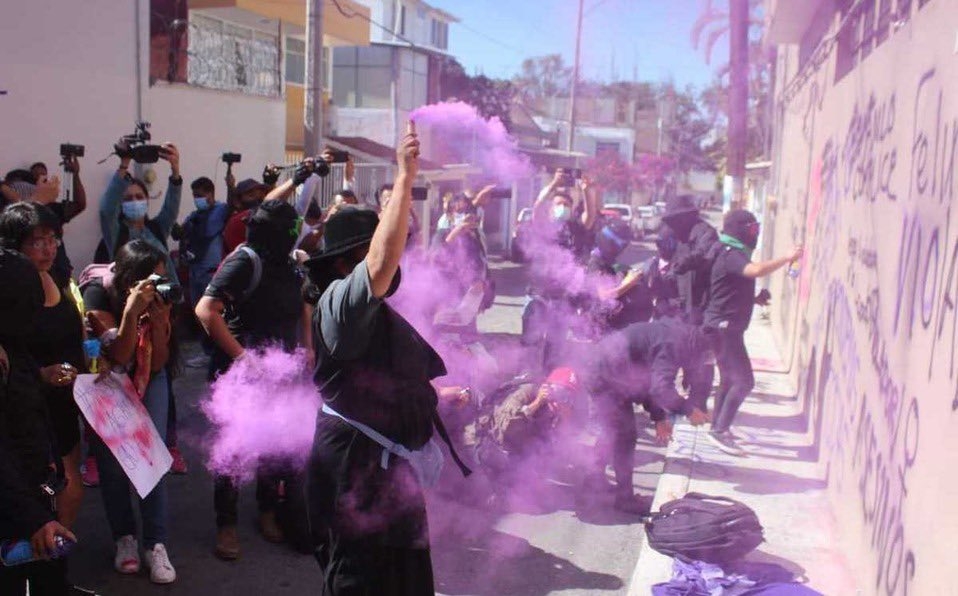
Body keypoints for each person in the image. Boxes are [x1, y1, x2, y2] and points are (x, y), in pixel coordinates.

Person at [303, 122, 470, 595]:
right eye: (371, 248)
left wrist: (430, 396)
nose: (393, 262)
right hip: (357, 472)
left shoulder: (369, 309)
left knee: (407, 578)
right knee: (362, 581)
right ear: (342, 262)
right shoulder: (340, 297)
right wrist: (404, 178)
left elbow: (378, 378)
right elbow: (379, 263)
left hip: (387, 473)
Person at [195, 200, 305, 561]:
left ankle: (268, 510)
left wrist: (309, 350)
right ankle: (226, 524)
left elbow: (305, 305)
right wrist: (244, 358)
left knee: (273, 444)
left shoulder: (289, 263)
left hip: (281, 370)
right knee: (235, 449)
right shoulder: (246, 260)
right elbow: (205, 310)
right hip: (241, 375)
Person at [82, 240, 178, 584]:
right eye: (151, 280)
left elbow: (161, 363)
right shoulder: (97, 295)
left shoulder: (158, 300)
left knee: (151, 458)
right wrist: (132, 313)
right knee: (112, 464)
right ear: (129, 281)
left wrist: (160, 321)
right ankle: (125, 538)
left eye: (161, 278)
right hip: (107, 379)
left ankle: (156, 545)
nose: (158, 286)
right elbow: (119, 356)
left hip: (149, 375)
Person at [0, 203, 86, 529]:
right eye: (37, 241)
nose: (48, 248)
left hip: (64, 401)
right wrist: (41, 375)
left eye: (52, 239)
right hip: (29, 407)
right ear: (15, 245)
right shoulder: (11, 292)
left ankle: (56, 561)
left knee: (69, 485)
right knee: (58, 490)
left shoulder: (59, 277)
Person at [0, 248, 76, 596]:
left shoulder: (12, 347)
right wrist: (35, 519)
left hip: (31, 492)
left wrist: (39, 377)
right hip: (15, 506)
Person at [584, 318, 715, 515]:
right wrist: (689, 410)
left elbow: (646, 381)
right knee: (625, 437)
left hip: (611, 373)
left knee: (613, 430)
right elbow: (661, 388)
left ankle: (593, 478)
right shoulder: (673, 346)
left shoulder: (679, 334)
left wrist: (659, 418)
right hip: (605, 377)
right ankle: (625, 500)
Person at [703, 210, 803, 455]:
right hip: (724, 329)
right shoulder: (731, 254)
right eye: (752, 230)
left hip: (724, 327)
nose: (754, 235)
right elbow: (754, 270)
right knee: (744, 381)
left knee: (729, 379)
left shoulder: (729, 252)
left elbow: (729, 287)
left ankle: (718, 427)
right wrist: (786, 257)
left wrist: (755, 299)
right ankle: (719, 430)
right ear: (739, 230)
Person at [467, 367, 581, 483]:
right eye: (558, 392)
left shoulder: (555, 411)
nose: (559, 401)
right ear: (546, 386)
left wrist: (563, 422)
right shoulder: (525, 392)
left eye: (567, 397)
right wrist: (536, 403)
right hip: (482, 443)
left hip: (510, 449)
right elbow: (505, 428)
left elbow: (549, 445)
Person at [96, 142, 182, 286]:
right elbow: (106, 210)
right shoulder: (118, 233)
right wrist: (124, 164)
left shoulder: (156, 229)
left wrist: (175, 170)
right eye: (128, 198)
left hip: (165, 302)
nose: (134, 201)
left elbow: (171, 208)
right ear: (121, 204)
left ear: (147, 200)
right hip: (134, 301)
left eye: (139, 197)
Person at [174, 177, 229, 310]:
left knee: (211, 311)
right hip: (195, 272)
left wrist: (230, 185)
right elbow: (180, 233)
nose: (196, 199)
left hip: (211, 273)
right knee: (197, 312)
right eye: (194, 196)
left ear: (210, 193)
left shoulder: (220, 210)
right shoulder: (194, 215)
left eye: (199, 195)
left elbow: (208, 230)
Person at [223, 178, 270, 254]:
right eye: (251, 195)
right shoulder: (236, 222)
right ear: (237, 202)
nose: (257, 198)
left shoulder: (263, 218)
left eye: (261, 195)